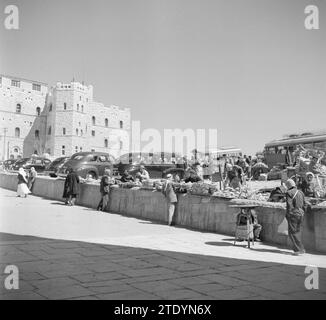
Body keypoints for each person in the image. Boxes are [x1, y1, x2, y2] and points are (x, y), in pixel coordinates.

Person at [285, 178, 309, 255]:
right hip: (300, 214)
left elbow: (289, 205)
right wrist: (302, 212)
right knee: (298, 232)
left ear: (288, 185)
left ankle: (298, 250)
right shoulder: (301, 192)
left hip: (293, 214)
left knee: (292, 232)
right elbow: (305, 204)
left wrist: (288, 214)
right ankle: (301, 248)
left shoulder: (289, 192)